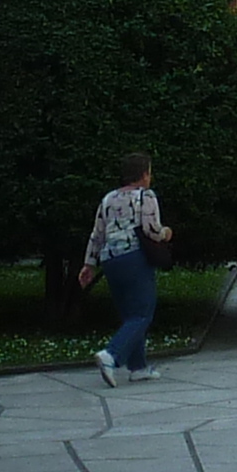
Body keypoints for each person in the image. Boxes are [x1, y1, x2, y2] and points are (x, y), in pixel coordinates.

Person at [79, 153, 172, 385]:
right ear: (143, 174)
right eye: (149, 172)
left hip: (110, 260)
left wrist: (89, 264)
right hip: (134, 257)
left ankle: (138, 367)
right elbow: (151, 229)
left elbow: (97, 234)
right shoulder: (146, 196)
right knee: (142, 312)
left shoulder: (108, 199)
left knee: (130, 314)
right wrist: (166, 233)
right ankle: (111, 355)